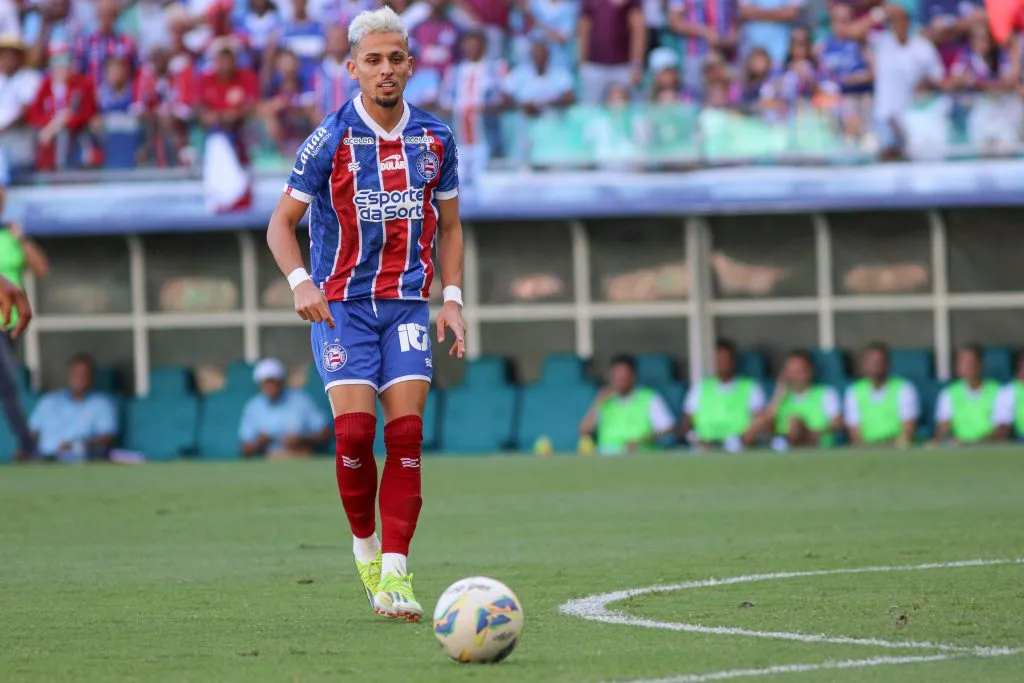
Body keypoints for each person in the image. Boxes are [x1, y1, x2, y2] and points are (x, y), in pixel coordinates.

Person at [265, 6, 465, 623]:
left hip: (405, 303)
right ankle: (365, 545)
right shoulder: (329, 139)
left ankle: (398, 575)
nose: (385, 70)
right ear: (352, 69)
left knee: (405, 438)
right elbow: (280, 224)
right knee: (354, 435)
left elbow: (451, 227)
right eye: (372, 60)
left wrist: (452, 299)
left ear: (411, 64)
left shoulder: (435, 139)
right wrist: (301, 281)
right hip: (341, 307)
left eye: (395, 58)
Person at [0, 193, 47, 461]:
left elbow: (41, 268)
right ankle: (29, 448)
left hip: (10, 325)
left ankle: (26, 447)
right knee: (8, 385)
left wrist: (21, 238)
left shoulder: (9, 235)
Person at [577, 353, 676, 455]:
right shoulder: (604, 399)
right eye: (616, 376)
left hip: (640, 455)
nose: (620, 381)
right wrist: (597, 403)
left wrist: (643, 440)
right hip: (608, 456)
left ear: (633, 376)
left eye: (624, 377)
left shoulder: (649, 398)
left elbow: (668, 429)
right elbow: (584, 431)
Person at [28, 353, 117, 463]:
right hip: (44, 460)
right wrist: (24, 451)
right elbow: (31, 433)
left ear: (92, 377)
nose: (80, 378)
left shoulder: (102, 404)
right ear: (68, 375)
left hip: (79, 461)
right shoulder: (48, 401)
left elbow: (107, 438)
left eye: (85, 374)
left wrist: (76, 446)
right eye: (76, 373)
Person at [237, 358, 332, 460]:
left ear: (282, 381)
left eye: (274, 381)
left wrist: (302, 439)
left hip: (301, 458)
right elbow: (244, 448)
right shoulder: (253, 407)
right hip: (268, 462)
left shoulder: (301, 400)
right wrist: (259, 442)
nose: (270, 386)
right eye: (266, 382)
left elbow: (325, 434)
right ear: (259, 384)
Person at [681, 339, 766, 451]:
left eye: (726, 359)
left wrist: (744, 438)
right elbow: (688, 421)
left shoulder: (751, 387)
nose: (723, 363)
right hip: (705, 448)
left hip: (739, 447)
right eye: (719, 359)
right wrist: (695, 438)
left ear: (733, 361)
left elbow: (760, 419)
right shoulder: (700, 387)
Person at [755, 350, 842, 451]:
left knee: (795, 422)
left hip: (817, 445)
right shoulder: (780, 397)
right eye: (791, 372)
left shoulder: (826, 393)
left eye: (799, 371)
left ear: (809, 371)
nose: (795, 376)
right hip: (785, 446)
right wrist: (778, 395)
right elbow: (764, 423)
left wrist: (814, 434)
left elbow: (837, 423)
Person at [843, 342, 920, 448]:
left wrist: (895, 447)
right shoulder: (854, 391)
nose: (875, 365)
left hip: (897, 448)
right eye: (871, 362)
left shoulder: (904, 388)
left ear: (887, 364)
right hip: (867, 449)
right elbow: (854, 431)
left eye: (879, 361)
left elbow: (908, 428)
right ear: (864, 365)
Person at [933, 344, 1011, 445]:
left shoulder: (1000, 391)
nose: (968, 367)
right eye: (964, 363)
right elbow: (943, 427)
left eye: (972, 363)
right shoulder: (948, 393)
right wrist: (947, 439)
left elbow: (1002, 429)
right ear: (958, 367)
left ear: (981, 365)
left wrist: (977, 444)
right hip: (959, 451)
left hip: (989, 449)